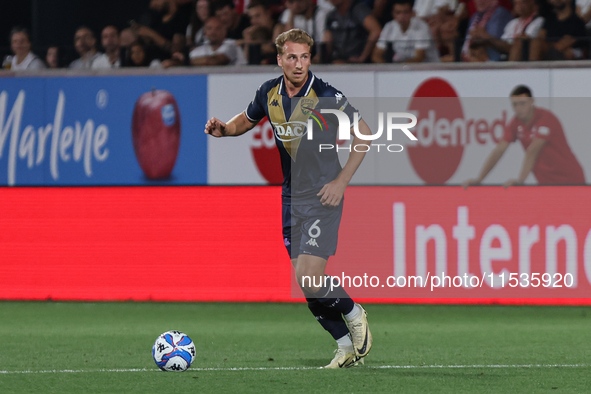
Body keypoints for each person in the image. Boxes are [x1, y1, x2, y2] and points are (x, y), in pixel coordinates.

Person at [204, 28, 373, 369]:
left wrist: (341, 181)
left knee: (310, 276)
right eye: (292, 57)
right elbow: (246, 119)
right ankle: (344, 347)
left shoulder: (325, 94)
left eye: (305, 57)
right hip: (291, 196)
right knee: (304, 282)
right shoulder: (269, 92)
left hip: (324, 195)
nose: (299, 64)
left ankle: (353, 311)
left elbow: (365, 133)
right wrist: (225, 129)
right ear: (280, 59)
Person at [463, 85, 585, 188]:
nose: (519, 109)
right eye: (515, 105)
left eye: (522, 103)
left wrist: (520, 180)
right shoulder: (515, 122)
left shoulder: (546, 118)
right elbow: (499, 150)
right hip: (546, 184)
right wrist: (479, 179)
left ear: (532, 101)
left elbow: (533, 150)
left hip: (571, 181)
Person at [371, 0, 440, 63]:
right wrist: (386, 69)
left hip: (429, 67)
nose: (402, 16)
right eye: (398, 13)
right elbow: (376, 55)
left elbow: (419, 57)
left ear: (412, 13)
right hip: (403, 68)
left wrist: (398, 69)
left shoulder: (421, 26)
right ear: (393, 14)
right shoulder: (389, 27)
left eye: (405, 12)